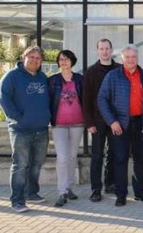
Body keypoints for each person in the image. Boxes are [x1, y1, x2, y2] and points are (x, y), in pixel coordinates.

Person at [97, 44, 143, 206]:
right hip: (120, 124)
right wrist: (112, 121)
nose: (131, 60)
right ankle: (121, 194)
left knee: (140, 159)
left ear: (137, 58)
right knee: (120, 159)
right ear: (122, 58)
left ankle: (140, 192)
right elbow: (102, 99)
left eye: (133, 57)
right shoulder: (113, 76)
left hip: (140, 123)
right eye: (127, 57)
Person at [0, 45, 51, 213]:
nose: (34, 60)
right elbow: (3, 98)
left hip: (41, 129)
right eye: (31, 57)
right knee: (20, 165)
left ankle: (32, 193)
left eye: (38, 58)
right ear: (23, 57)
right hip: (21, 130)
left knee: (36, 164)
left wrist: (46, 117)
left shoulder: (42, 77)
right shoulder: (12, 76)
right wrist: (19, 118)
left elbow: (47, 99)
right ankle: (17, 200)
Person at [82, 38, 119, 202]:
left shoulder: (120, 69)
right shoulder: (91, 72)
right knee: (97, 155)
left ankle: (110, 183)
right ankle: (96, 189)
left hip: (116, 120)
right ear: (97, 51)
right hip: (97, 121)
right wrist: (88, 123)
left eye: (107, 48)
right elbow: (86, 99)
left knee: (114, 153)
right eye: (101, 49)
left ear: (112, 50)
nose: (104, 51)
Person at [48, 50, 85, 207]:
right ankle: (62, 191)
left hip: (78, 123)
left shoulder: (80, 79)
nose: (64, 62)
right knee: (62, 157)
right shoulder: (52, 80)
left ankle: (69, 187)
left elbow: (86, 99)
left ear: (72, 61)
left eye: (67, 59)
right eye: (61, 59)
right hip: (59, 124)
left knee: (71, 156)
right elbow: (48, 101)